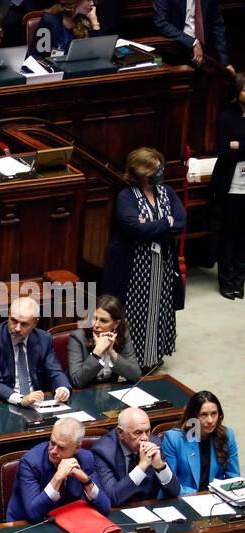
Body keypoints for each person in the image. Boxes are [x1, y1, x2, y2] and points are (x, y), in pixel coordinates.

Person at [101, 148, 186, 371]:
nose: (159, 171)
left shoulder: (167, 191)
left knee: (159, 309)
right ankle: (131, 359)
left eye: (160, 167)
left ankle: (153, 357)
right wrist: (165, 222)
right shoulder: (126, 197)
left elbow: (180, 222)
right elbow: (135, 229)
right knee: (135, 312)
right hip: (134, 267)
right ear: (140, 171)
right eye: (154, 168)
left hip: (162, 265)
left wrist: (154, 225)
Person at [6, 418, 111, 521]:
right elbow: (34, 513)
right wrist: (58, 477)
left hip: (64, 521)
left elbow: (105, 508)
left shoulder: (86, 459)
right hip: (24, 525)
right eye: (52, 442)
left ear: (77, 448)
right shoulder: (30, 462)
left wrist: (86, 480)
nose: (53, 451)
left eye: (61, 447)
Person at [0, 295, 71, 404]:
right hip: (1, 402)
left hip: (36, 402)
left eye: (24, 324)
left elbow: (54, 371)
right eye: (13, 321)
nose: (17, 328)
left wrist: (62, 389)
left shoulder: (43, 339)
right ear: (8, 315)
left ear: (35, 323)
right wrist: (20, 399)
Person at [91, 408, 182, 505]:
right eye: (137, 433)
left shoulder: (154, 443)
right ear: (120, 433)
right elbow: (112, 498)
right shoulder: (103, 452)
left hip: (147, 508)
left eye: (147, 431)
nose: (145, 438)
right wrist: (141, 467)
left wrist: (160, 466)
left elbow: (175, 492)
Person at [161, 390, 240, 491]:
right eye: (204, 415)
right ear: (192, 417)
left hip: (217, 497)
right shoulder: (174, 439)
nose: (210, 420)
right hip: (185, 497)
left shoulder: (227, 435)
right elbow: (170, 483)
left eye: (214, 414)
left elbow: (234, 478)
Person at [211, 72, 245, 299]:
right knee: (229, 233)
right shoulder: (226, 117)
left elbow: (234, 148)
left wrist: (239, 146)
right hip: (232, 185)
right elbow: (224, 151)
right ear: (237, 92)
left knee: (244, 236)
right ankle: (226, 281)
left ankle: (239, 280)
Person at [67, 294, 141, 388]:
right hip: (84, 393)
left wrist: (112, 353)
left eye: (103, 321)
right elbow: (77, 381)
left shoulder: (122, 335)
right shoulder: (78, 337)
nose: (96, 325)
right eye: (94, 318)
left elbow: (135, 375)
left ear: (116, 324)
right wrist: (97, 352)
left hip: (109, 393)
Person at [152, 0, 233, 70]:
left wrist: (225, 63)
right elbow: (161, 23)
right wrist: (192, 43)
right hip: (175, 50)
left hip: (205, 54)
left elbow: (217, 25)